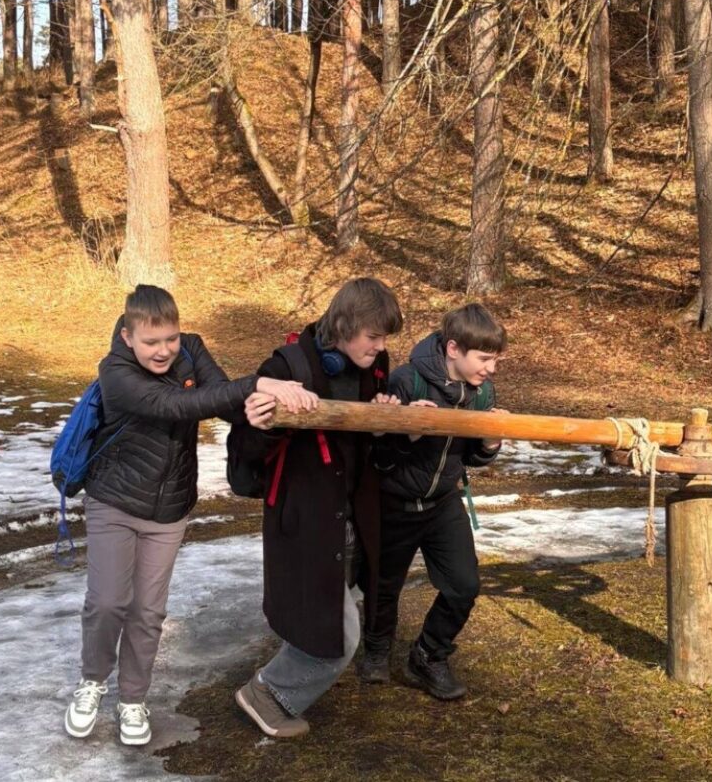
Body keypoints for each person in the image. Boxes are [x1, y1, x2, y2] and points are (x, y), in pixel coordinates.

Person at [64, 284, 316, 746]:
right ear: (128, 338)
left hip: (170, 507)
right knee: (107, 602)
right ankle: (92, 682)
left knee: (147, 610)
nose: (163, 351)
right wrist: (256, 384)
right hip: (114, 501)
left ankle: (133, 699)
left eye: (171, 339)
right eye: (151, 342)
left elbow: (219, 396)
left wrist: (259, 410)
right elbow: (174, 406)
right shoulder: (114, 371)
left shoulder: (192, 350)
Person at [227, 277, 403, 738]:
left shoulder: (375, 366)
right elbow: (243, 450)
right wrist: (268, 421)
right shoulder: (287, 365)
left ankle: (284, 677)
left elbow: (366, 445)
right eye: (374, 336)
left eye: (386, 337)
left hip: (353, 515)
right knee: (340, 638)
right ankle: (267, 694)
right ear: (343, 325)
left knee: (334, 608)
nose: (381, 347)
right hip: (304, 518)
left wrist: (385, 419)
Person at [361, 303, 508, 700]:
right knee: (382, 587)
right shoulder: (407, 381)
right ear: (454, 349)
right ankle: (375, 651)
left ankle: (428, 655)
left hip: (444, 502)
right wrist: (406, 433)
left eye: (496, 360)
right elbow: (379, 457)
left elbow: (471, 458)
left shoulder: (483, 393)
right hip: (394, 502)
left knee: (464, 585)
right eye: (485, 359)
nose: (491, 369)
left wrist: (490, 443)